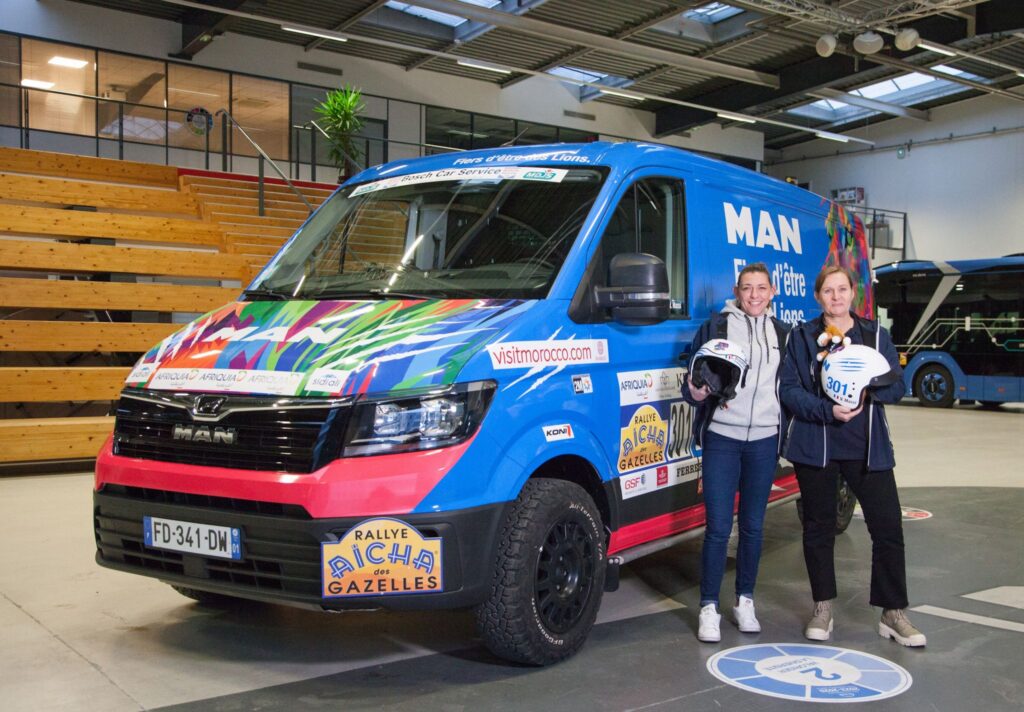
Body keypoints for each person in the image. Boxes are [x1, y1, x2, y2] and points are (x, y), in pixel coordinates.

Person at [779, 265, 926, 647]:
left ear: (852, 294)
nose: (836, 297)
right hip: (818, 446)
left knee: (888, 526)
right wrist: (828, 410)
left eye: (842, 289)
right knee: (818, 529)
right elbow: (790, 390)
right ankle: (823, 607)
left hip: (867, 448)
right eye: (828, 291)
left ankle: (893, 612)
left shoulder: (876, 336)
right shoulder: (802, 336)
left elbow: (898, 386)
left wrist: (866, 390)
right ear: (818, 296)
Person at [683, 262, 789, 643]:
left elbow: (790, 386)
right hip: (722, 439)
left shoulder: (783, 333)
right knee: (718, 529)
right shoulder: (716, 328)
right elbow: (690, 383)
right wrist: (697, 391)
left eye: (762, 288)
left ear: (772, 291)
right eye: (748, 288)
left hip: (764, 440)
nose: (755, 295)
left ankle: (745, 600)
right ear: (737, 290)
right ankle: (708, 606)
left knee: (754, 527)